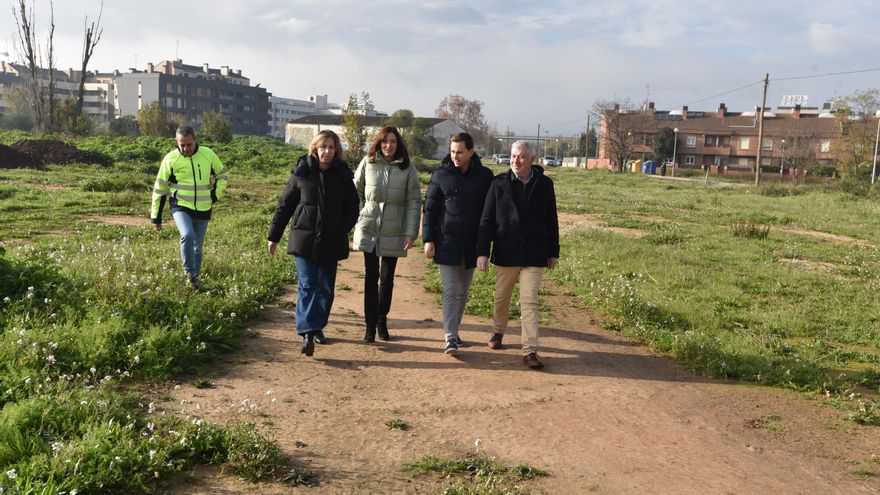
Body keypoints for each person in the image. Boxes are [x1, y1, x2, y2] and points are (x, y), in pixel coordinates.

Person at [267, 130, 359, 356]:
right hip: (304, 240)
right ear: (315, 149)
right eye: (322, 147)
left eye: (331, 147)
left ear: (336, 150)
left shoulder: (343, 175)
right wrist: (273, 236)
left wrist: (341, 229)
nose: (327, 151)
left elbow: (353, 208)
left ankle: (317, 325)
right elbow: (284, 206)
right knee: (308, 285)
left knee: (325, 290)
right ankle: (307, 332)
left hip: (331, 241)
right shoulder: (302, 173)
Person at [477, 140, 559, 369]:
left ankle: (530, 350)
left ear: (532, 159)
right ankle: (498, 330)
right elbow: (486, 220)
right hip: (506, 250)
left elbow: (551, 219)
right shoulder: (498, 183)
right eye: (513, 156)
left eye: (521, 156)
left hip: (535, 252)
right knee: (502, 297)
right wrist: (482, 252)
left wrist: (553, 251)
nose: (516, 160)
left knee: (530, 301)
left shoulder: (545, 184)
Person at [422, 132, 493, 355]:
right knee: (451, 290)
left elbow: (489, 214)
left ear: (471, 151)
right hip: (446, 242)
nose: (455, 156)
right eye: (452, 151)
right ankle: (450, 337)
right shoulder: (440, 175)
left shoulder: (485, 176)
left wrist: (484, 247)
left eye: (460, 152)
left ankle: (455, 329)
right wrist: (428, 239)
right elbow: (430, 209)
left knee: (462, 291)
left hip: (471, 244)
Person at [352, 126, 421, 342]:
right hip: (369, 227)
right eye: (384, 142)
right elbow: (355, 190)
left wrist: (410, 232)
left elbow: (414, 202)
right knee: (370, 276)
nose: (388, 146)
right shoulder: (368, 162)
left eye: (392, 142)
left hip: (394, 229)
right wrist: (361, 214)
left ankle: (381, 319)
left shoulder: (407, 168)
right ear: (379, 143)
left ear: (398, 144)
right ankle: (369, 326)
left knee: (387, 278)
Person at [151, 126, 228, 290]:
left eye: (189, 145)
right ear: (177, 142)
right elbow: (160, 188)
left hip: (203, 207)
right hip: (180, 206)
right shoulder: (170, 159)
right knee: (187, 235)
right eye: (182, 145)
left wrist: (215, 195)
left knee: (198, 247)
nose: (186, 149)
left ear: (195, 140)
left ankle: (195, 280)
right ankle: (188, 273)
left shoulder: (208, 154)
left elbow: (222, 175)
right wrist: (156, 216)